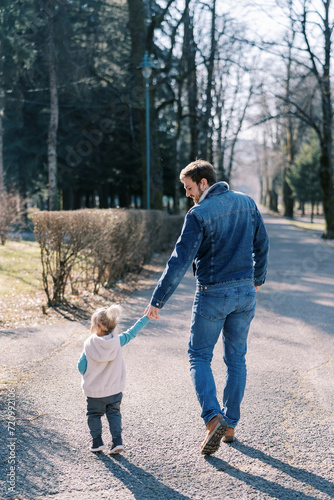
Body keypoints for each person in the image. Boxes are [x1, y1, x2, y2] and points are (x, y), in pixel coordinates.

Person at [145, 159, 269, 456]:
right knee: (236, 360)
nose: (188, 194)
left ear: (204, 183)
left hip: (213, 294)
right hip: (244, 293)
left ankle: (214, 418)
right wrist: (257, 279)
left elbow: (179, 261)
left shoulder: (199, 213)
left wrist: (157, 299)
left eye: (189, 188)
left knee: (199, 356)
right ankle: (230, 425)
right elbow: (262, 243)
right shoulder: (247, 202)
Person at [78, 305, 149, 453]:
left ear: (97, 326)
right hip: (114, 389)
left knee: (94, 415)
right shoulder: (118, 341)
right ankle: (117, 441)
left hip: (94, 391)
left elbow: (81, 366)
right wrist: (146, 317)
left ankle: (97, 442)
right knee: (114, 413)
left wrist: (89, 373)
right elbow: (132, 332)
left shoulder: (89, 344)